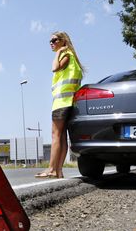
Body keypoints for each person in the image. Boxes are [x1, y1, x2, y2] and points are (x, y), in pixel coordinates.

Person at [35, 31, 84, 178]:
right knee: (62, 136)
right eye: (50, 41)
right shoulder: (72, 57)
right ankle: (58, 170)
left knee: (55, 135)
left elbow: (54, 68)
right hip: (70, 102)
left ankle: (51, 169)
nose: (51, 43)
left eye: (54, 40)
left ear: (63, 41)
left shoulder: (65, 54)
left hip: (62, 102)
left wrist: (58, 53)